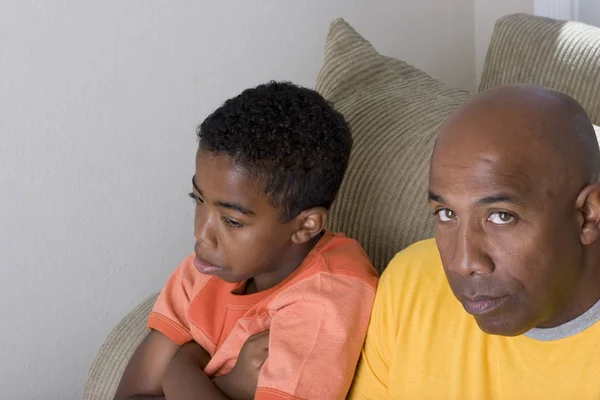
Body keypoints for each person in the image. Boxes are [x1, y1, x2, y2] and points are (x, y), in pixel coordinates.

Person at [114, 81, 378, 400]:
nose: (202, 234)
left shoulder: (326, 300)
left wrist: (182, 366)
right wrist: (219, 382)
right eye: (197, 199)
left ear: (306, 225)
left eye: (231, 220)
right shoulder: (206, 271)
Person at [348, 85, 600, 399]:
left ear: (589, 215)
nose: (463, 262)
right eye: (446, 213)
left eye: (501, 217)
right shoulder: (410, 283)